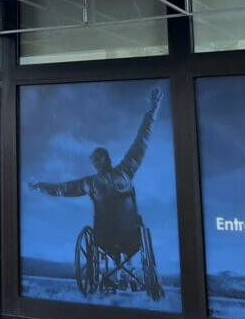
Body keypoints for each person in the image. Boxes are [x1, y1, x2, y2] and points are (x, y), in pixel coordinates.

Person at [29, 88, 162, 262]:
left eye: (97, 160)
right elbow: (141, 142)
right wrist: (152, 112)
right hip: (131, 236)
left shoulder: (90, 183)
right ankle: (127, 262)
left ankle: (118, 264)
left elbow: (63, 189)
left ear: (97, 163)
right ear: (107, 160)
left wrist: (41, 186)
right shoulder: (125, 172)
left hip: (104, 238)